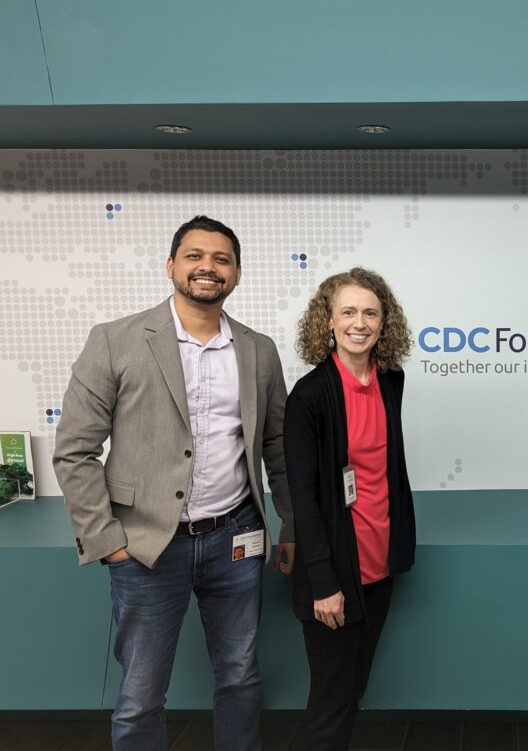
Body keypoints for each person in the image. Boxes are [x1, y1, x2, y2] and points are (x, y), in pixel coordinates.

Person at [53, 215, 294, 750]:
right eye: (194, 256)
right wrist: (108, 542)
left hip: (236, 539)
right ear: (171, 266)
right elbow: (74, 450)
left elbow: (278, 447)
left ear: (236, 274)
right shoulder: (114, 341)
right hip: (144, 549)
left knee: (240, 675)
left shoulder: (259, 351)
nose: (207, 267)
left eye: (221, 259)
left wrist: (291, 525)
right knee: (141, 696)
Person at [284, 268, 416, 750]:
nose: (360, 322)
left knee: (353, 690)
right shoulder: (309, 397)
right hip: (335, 575)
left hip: (380, 566)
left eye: (371, 312)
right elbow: (305, 498)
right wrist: (324, 583)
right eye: (348, 312)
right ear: (329, 321)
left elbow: (386, 471)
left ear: (385, 322)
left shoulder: (391, 380)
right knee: (330, 703)